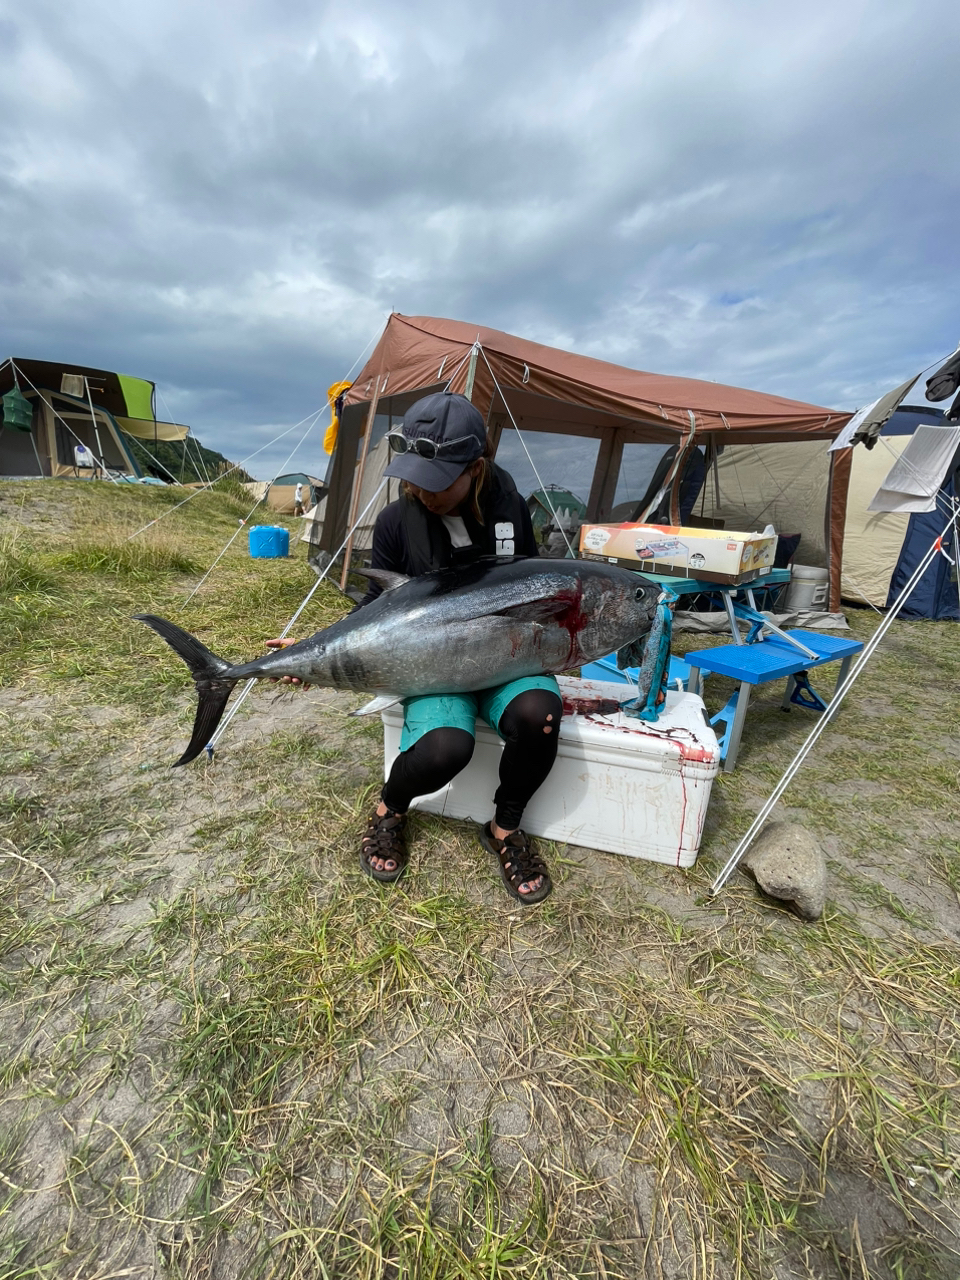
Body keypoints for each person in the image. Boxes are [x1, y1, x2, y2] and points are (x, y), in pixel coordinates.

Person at [268, 391, 561, 905]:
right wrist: (316, 649)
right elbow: (378, 609)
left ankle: (504, 828)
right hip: (433, 665)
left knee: (539, 714)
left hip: (505, 658)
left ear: (475, 468)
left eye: (435, 482)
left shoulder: (511, 509)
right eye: (412, 478)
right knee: (448, 747)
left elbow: (529, 587)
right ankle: (389, 810)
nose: (418, 492)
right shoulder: (394, 522)